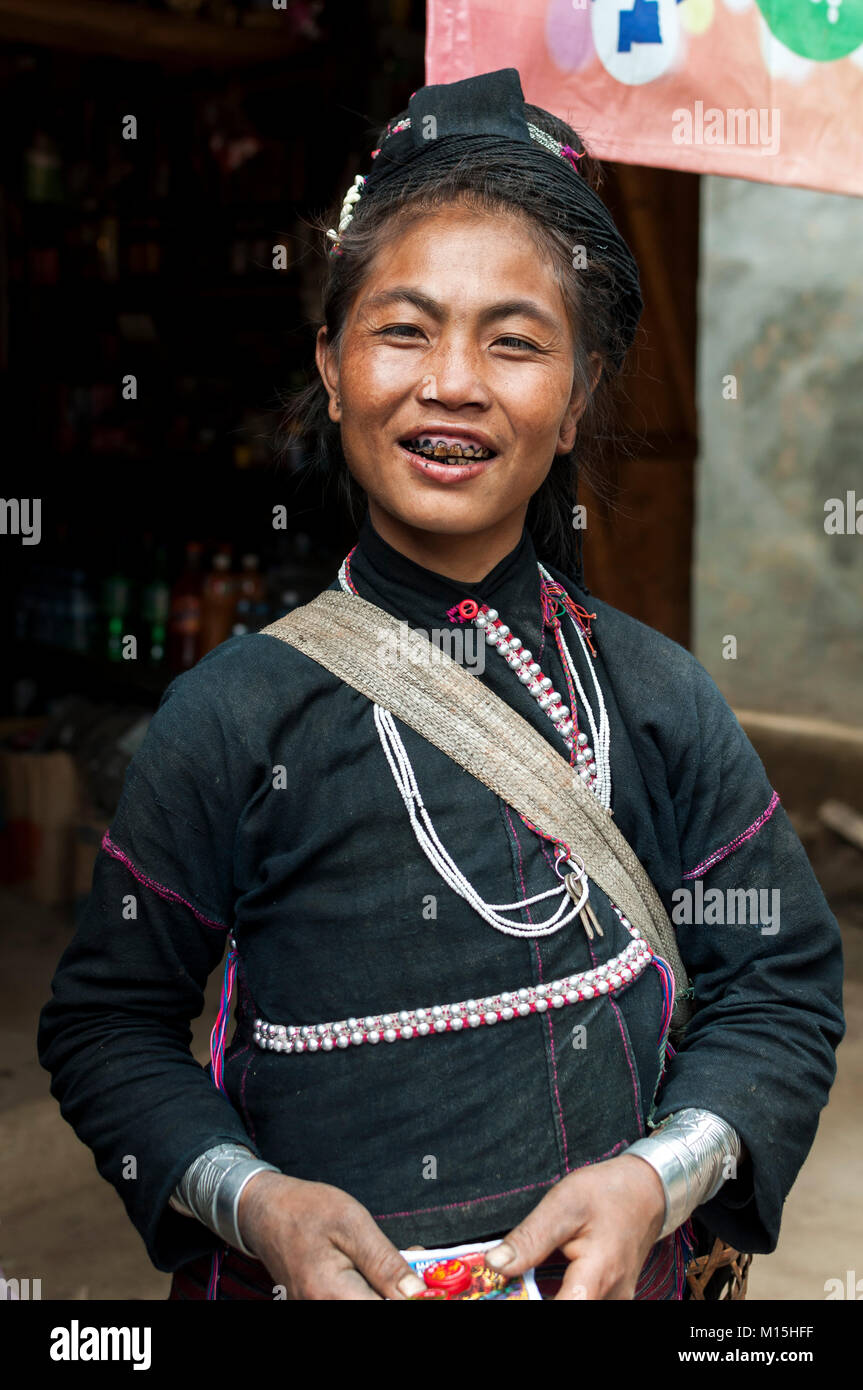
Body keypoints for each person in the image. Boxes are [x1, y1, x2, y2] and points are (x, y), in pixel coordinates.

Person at [38, 69, 844, 1302]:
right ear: (329, 360)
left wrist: (656, 1180)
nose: (451, 381)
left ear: (574, 399)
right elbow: (106, 1026)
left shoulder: (656, 699)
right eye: (403, 328)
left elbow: (777, 984)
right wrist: (255, 1203)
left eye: (513, 342)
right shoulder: (234, 717)